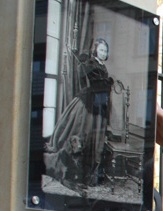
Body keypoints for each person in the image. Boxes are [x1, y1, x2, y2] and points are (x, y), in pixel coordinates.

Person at [45, 37, 115, 189]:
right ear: (95, 50)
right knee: (82, 131)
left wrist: (107, 83)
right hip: (88, 103)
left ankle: (90, 173)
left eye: (105, 51)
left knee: (96, 138)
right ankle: (71, 169)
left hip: (100, 103)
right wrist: (108, 82)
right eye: (101, 50)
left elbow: (104, 86)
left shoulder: (102, 67)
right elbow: (97, 83)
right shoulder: (90, 64)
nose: (103, 53)